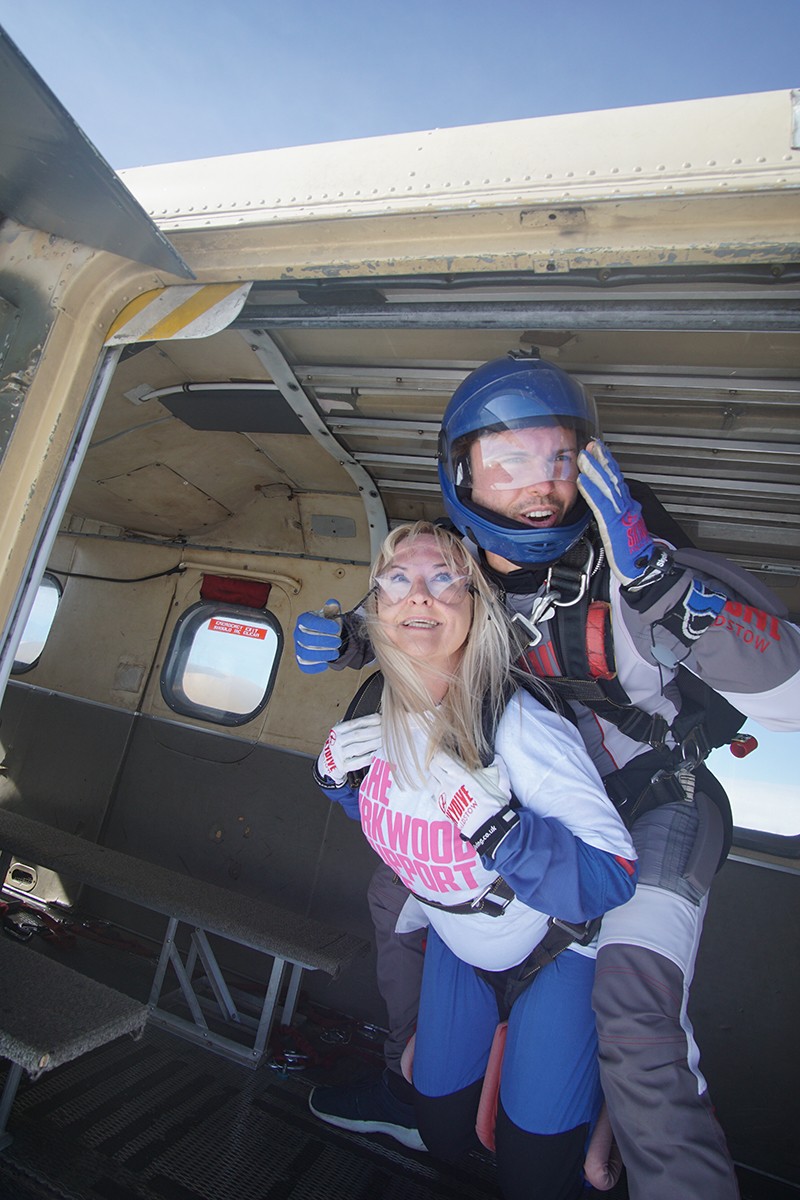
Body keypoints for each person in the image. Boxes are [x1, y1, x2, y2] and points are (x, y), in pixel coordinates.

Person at [295, 355, 800, 1200]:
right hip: (528, 794)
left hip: (651, 802)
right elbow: (419, 599)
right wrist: (355, 635)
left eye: (559, 458)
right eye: (509, 462)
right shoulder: (462, 570)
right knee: (397, 896)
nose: (541, 486)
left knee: (635, 1009)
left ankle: (662, 1171)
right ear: (463, 475)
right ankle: (405, 1080)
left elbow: (788, 692)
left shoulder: (635, 566)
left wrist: (659, 584)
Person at [310, 521, 637, 1200]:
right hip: (461, 949)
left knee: (536, 1178)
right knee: (439, 1129)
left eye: (442, 578)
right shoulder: (376, 711)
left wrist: (505, 832)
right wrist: (338, 786)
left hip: (554, 950)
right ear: (376, 604)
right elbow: (407, 831)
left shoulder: (515, 726)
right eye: (398, 578)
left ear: (475, 603)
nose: (419, 595)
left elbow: (612, 877)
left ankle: (610, 1109)